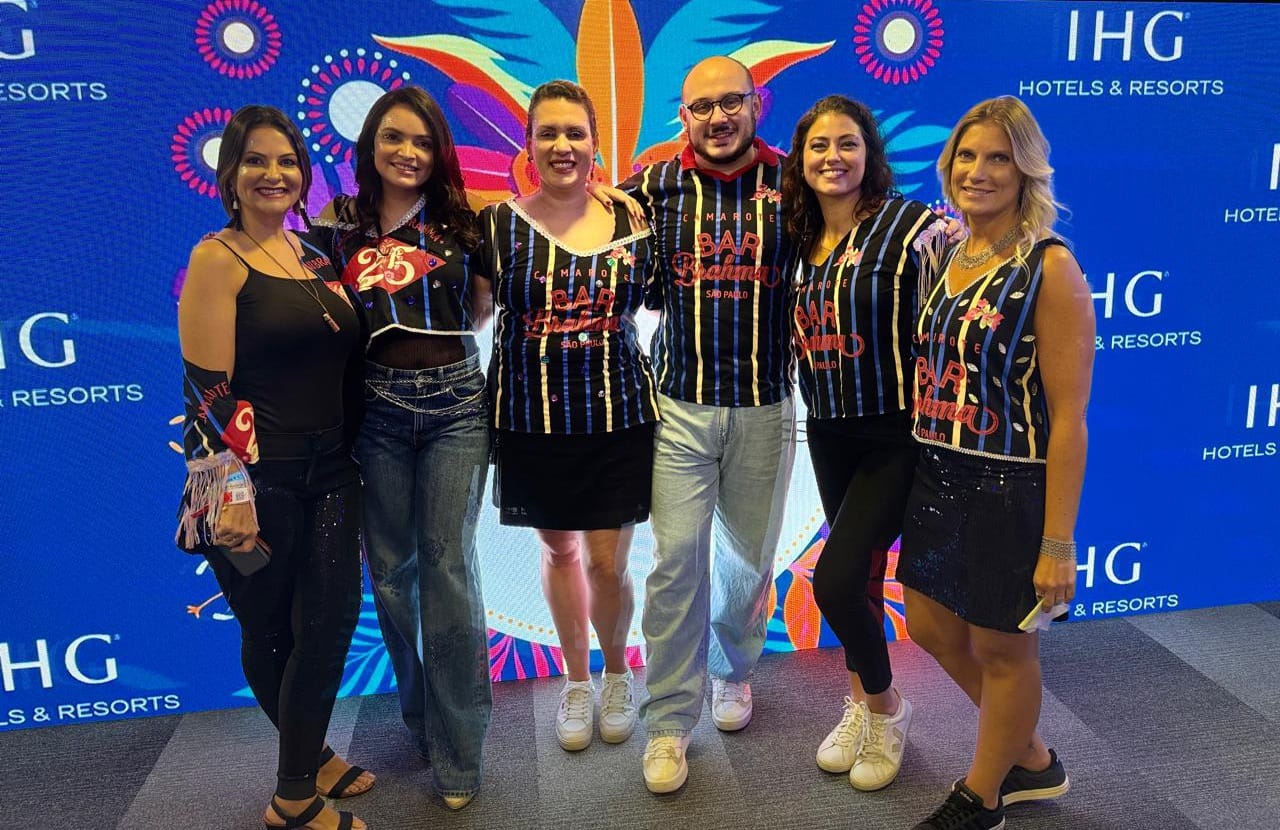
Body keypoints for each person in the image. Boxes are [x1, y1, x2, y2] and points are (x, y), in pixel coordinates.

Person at [898, 96, 1092, 830]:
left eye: (998, 158)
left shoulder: (1051, 267)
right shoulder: (949, 253)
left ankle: (982, 796)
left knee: (1002, 649)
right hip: (936, 473)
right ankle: (1029, 756)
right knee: (929, 625)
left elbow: (1069, 420)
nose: (978, 172)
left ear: (1026, 170)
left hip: (1010, 485)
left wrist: (1057, 543)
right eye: (967, 156)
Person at [175, 104, 371, 830]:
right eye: (256, 159)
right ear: (230, 173)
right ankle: (294, 799)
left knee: (328, 625)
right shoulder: (216, 258)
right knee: (269, 634)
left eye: (287, 160)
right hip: (258, 483)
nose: (273, 173)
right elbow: (205, 390)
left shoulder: (314, 255)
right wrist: (228, 488)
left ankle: (306, 765)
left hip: (332, 471)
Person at [313, 86, 492, 811]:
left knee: (448, 569)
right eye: (394, 137)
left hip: (456, 407)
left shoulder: (467, 222)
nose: (408, 153)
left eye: (422, 141)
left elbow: (482, 309)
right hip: (377, 413)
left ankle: (460, 749)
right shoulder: (337, 225)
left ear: (439, 152)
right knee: (391, 577)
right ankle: (423, 717)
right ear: (371, 144)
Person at [625, 56, 796, 794]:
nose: (718, 117)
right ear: (684, 116)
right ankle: (667, 722)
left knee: (748, 563)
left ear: (757, 105)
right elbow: (585, 226)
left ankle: (732, 669)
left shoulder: (796, 183)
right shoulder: (652, 186)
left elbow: (858, 237)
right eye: (702, 106)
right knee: (675, 563)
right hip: (680, 407)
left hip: (765, 404)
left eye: (732, 102)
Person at [480, 80, 660, 754]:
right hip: (531, 418)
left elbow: (665, 297)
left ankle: (617, 675)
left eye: (575, 133)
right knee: (558, 551)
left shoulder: (633, 221)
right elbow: (471, 316)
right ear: (528, 144)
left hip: (617, 414)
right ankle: (576, 681)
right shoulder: (496, 227)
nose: (562, 145)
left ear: (595, 144)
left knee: (607, 564)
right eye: (548, 133)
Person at [781, 94, 943, 792]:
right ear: (800, 160)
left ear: (869, 153)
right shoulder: (797, 238)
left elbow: (963, 297)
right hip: (828, 429)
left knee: (837, 580)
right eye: (818, 146)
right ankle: (860, 706)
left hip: (894, 434)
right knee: (863, 582)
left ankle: (887, 707)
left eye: (847, 143)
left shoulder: (911, 227)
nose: (833, 157)